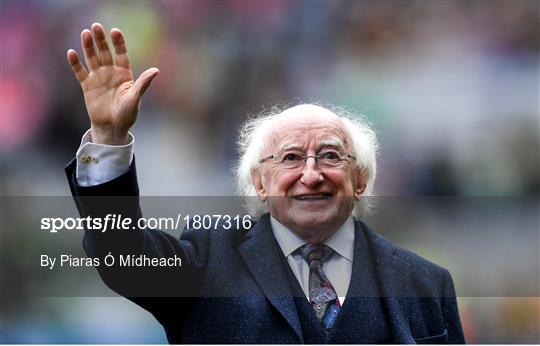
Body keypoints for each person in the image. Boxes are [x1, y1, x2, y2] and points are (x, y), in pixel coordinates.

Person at [66, 23, 465, 344]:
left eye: (329, 156)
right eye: (290, 158)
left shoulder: (425, 282)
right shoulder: (206, 260)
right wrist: (108, 137)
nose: (311, 174)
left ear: (359, 179)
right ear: (259, 183)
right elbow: (120, 255)